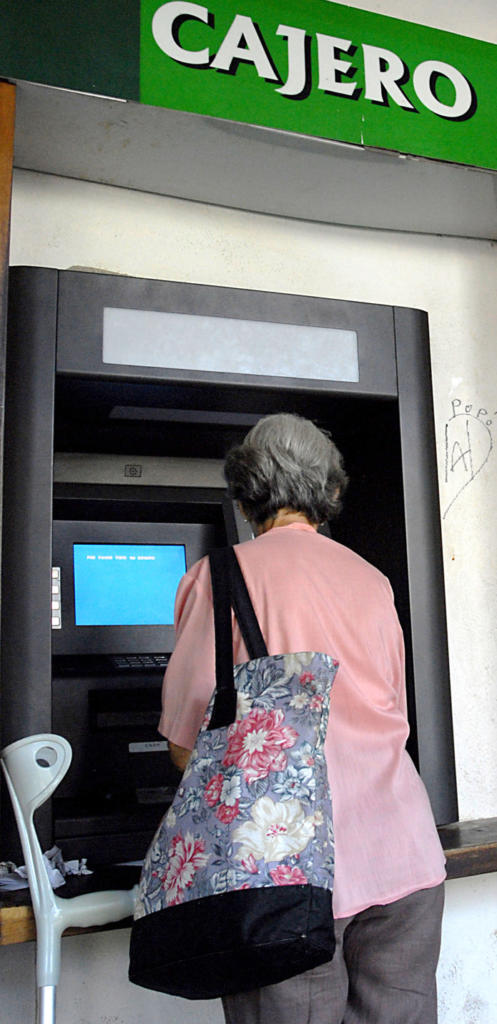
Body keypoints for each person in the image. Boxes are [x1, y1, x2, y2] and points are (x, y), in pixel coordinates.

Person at [159, 412, 446, 1024]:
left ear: (242, 493)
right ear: (332, 492)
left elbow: (188, 746)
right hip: (405, 856)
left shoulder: (218, 578)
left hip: (285, 873)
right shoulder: (372, 580)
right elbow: (389, 709)